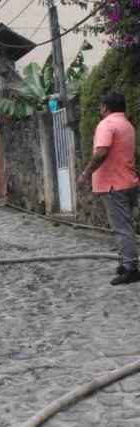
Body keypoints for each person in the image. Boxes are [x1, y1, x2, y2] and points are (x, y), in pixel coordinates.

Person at [77, 91, 140, 286]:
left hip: (114, 185)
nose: (100, 109)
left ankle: (131, 269)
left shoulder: (107, 124)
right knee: (124, 225)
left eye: (101, 106)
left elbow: (101, 152)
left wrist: (85, 175)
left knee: (122, 228)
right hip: (129, 183)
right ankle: (125, 263)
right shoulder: (127, 125)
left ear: (105, 107)